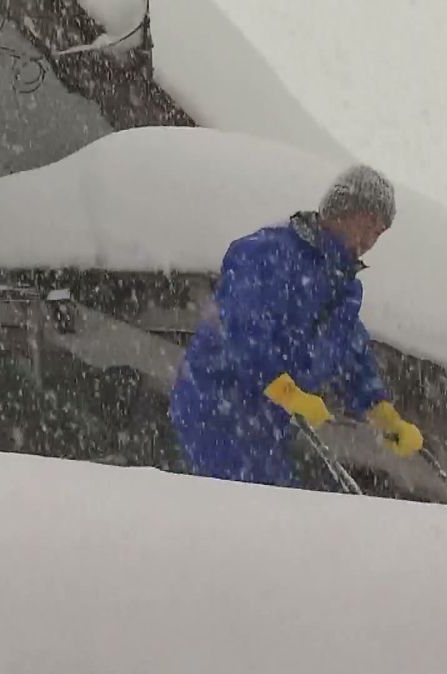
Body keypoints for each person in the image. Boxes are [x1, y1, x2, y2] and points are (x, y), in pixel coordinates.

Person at [169, 164, 423, 487]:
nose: (372, 240)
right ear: (344, 210)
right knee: (239, 511)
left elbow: (350, 350)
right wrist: (284, 390)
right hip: (216, 409)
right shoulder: (268, 252)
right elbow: (242, 329)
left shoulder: (344, 285)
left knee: (272, 511)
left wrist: (380, 411)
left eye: (379, 233)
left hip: (267, 423)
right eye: (369, 225)